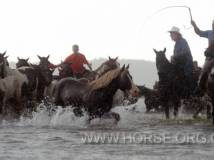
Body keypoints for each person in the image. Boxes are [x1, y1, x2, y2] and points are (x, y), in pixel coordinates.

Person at [191, 20, 214, 93]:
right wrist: (194, 25)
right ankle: (201, 89)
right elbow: (199, 32)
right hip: (210, 58)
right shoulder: (209, 33)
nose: (213, 26)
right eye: (213, 25)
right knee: (204, 71)